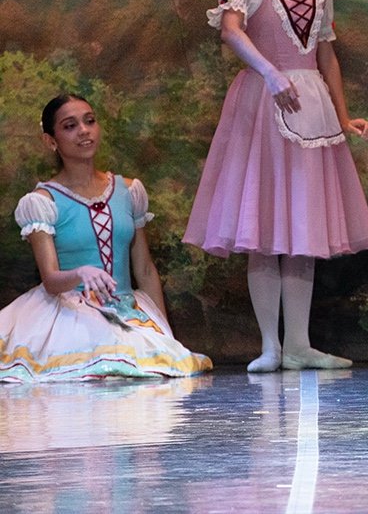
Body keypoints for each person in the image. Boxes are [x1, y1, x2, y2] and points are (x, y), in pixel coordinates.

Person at [184, 0, 368, 373]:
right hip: (263, 105)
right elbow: (231, 30)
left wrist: (342, 111)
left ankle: (299, 344)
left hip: (310, 109)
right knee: (265, 224)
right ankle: (270, 344)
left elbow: (325, 52)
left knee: (304, 227)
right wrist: (271, 74)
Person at [1, 95, 212, 381]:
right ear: (51, 141)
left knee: (150, 374)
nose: (84, 131)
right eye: (70, 126)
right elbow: (51, 280)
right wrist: (80, 273)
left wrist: (164, 335)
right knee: (97, 375)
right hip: (70, 315)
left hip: (127, 310)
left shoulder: (128, 191)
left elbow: (145, 270)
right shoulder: (43, 202)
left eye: (89, 121)